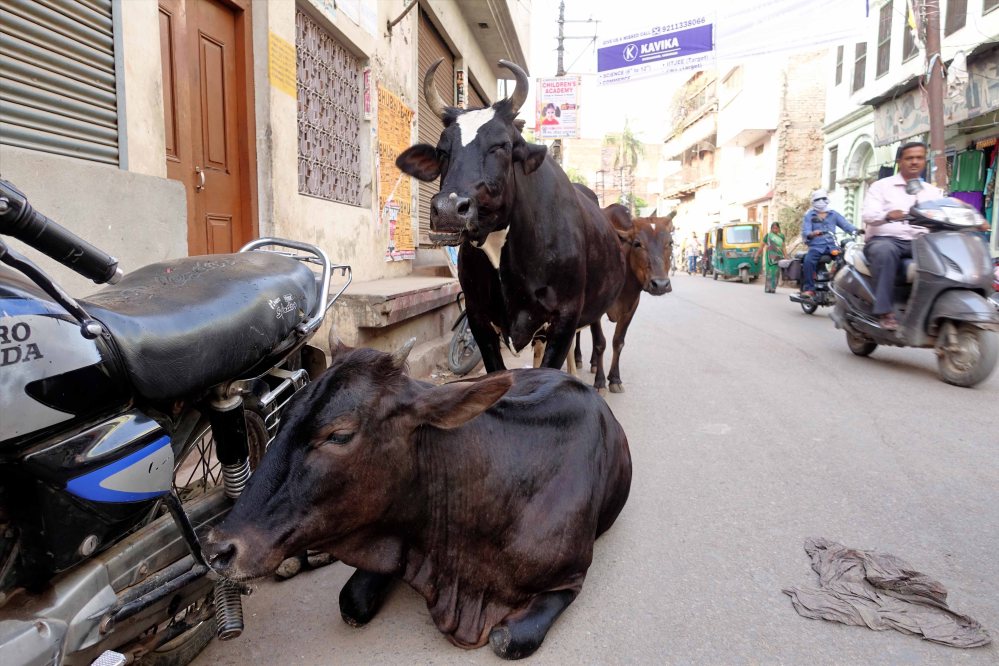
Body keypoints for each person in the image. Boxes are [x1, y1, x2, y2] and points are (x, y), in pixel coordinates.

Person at [861, 141, 943, 331]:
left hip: (920, 243)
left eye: (919, 158)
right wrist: (887, 215)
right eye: (909, 158)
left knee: (947, 258)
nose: (914, 162)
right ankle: (885, 311)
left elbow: (944, 212)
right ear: (900, 161)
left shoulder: (933, 192)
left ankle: (933, 310)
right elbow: (868, 215)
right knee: (885, 250)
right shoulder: (881, 187)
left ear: (925, 160)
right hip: (885, 240)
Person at [800, 188, 856, 298]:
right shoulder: (809, 215)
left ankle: (838, 283)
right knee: (808, 261)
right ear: (813, 201)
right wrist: (812, 233)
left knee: (846, 260)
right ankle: (809, 289)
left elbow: (845, 225)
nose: (821, 201)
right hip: (816, 246)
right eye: (818, 199)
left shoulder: (833, 214)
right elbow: (806, 231)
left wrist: (856, 231)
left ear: (827, 200)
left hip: (832, 246)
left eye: (823, 198)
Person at [753, 221, 786, 293]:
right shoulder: (768, 236)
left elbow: (783, 247)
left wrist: (786, 257)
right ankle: (768, 288)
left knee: (777, 273)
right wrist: (756, 256)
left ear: (779, 229)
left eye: (776, 228)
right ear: (771, 229)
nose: (775, 230)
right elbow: (761, 247)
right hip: (769, 258)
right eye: (773, 228)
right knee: (770, 272)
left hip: (779, 257)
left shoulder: (782, 236)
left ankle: (773, 288)